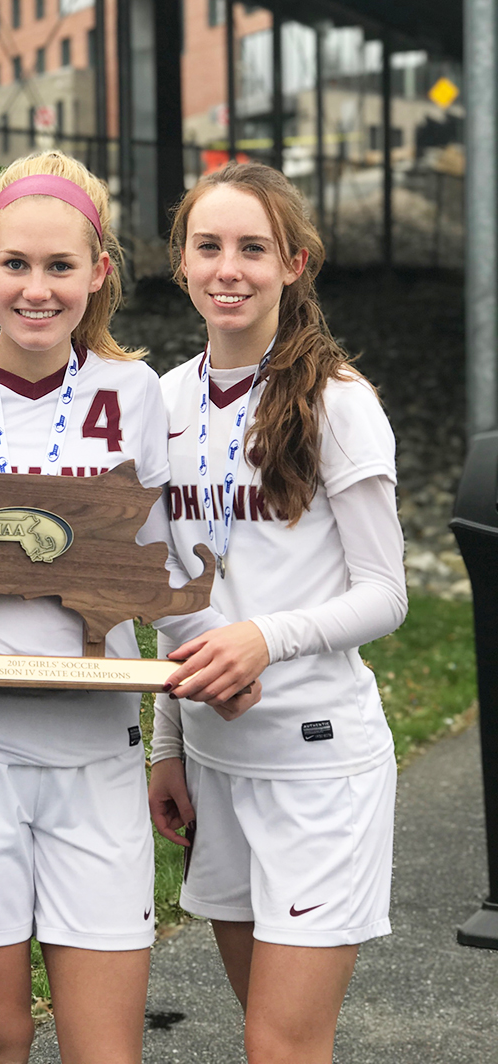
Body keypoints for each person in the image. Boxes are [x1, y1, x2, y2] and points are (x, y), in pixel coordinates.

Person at [0, 150, 254, 1064]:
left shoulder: (137, 395)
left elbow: (162, 574)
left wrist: (209, 672)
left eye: (60, 268)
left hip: (95, 761)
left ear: (99, 273)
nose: (37, 291)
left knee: (103, 1051)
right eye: (16, 266)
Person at [149, 160, 408, 1064]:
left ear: (294, 262)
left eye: (253, 248)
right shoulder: (163, 402)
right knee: (262, 1034)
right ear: (178, 261)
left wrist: (266, 638)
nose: (230, 268)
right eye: (208, 245)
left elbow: (386, 594)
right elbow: (168, 596)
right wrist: (168, 745)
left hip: (317, 771)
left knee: (283, 1046)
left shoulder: (339, 402)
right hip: (215, 767)